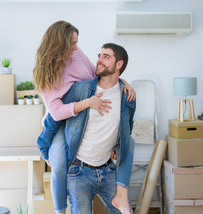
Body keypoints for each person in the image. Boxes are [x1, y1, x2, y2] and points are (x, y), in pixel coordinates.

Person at [33, 21, 135, 214]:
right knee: (59, 163)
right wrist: (88, 103)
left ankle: (122, 195)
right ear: (59, 44)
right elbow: (56, 112)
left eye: (76, 42)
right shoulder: (45, 72)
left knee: (128, 141)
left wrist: (122, 81)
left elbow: (95, 73)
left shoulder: (76, 53)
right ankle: (60, 210)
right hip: (61, 119)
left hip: (79, 113)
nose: (75, 47)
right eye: (72, 43)